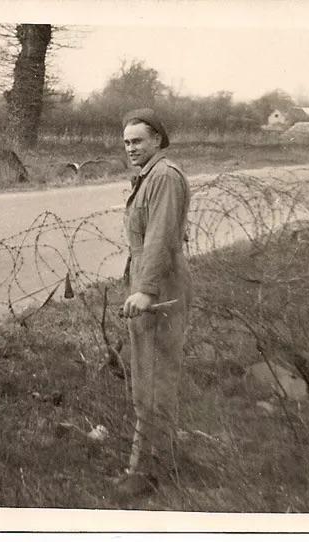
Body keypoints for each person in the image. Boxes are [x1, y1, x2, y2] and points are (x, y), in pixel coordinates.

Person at [114, 108, 192, 499]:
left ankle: (148, 471)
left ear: (158, 139)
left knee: (154, 379)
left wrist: (145, 290)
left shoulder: (162, 177)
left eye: (138, 140)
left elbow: (160, 238)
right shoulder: (149, 176)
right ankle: (158, 461)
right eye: (126, 141)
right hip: (151, 284)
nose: (130, 148)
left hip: (159, 290)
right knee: (149, 376)